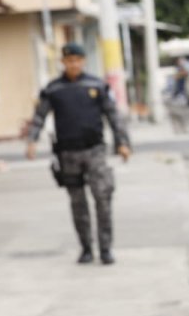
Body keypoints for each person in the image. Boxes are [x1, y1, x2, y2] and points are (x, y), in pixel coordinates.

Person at [26, 43, 132, 265]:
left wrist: (122, 142)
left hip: (95, 150)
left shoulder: (97, 85)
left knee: (103, 198)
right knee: (77, 203)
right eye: (69, 60)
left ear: (83, 61)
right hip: (68, 153)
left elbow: (113, 116)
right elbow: (39, 116)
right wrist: (32, 140)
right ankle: (86, 248)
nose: (73, 64)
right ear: (63, 62)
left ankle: (105, 248)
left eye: (77, 60)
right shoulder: (53, 89)